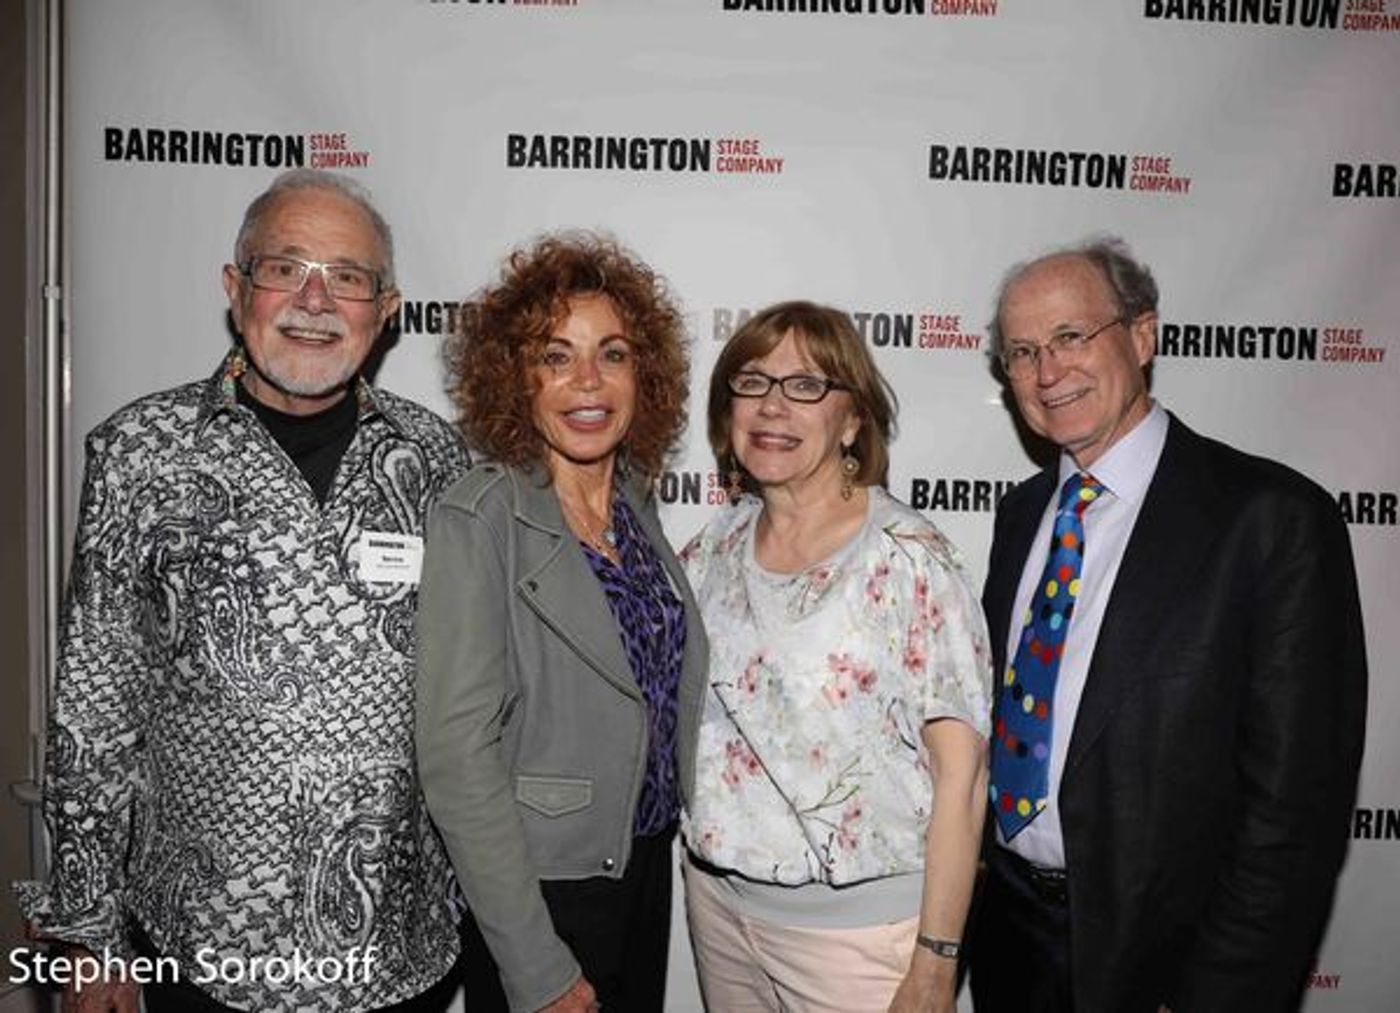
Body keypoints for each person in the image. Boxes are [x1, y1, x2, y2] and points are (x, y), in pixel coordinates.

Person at [15, 169, 471, 1012]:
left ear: (387, 308)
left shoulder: (439, 460)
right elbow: (94, 708)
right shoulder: (141, 452)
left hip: (397, 950)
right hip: (201, 946)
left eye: (348, 276)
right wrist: (87, 936)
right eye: (283, 267)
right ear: (236, 287)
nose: (314, 299)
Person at [968, 237, 1367, 1013]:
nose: (1048, 372)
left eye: (1071, 337)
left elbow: (1293, 815)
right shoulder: (1020, 518)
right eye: (1022, 352)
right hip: (1010, 943)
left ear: (1143, 335)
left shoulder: (1272, 520)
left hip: (1171, 962)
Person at [414, 233, 706, 1013]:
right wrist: (534, 960)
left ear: (643, 374)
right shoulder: (483, 515)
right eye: (556, 355)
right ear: (517, 377)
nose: (588, 381)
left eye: (612, 354)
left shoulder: (636, 503)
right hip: (540, 887)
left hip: (641, 866)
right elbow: (455, 756)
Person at [678, 300, 992, 1013]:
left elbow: (963, 779)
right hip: (719, 909)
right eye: (752, 382)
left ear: (853, 420)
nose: (773, 406)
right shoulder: (712, 548)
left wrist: (937, 963)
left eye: (808, 385)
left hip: (864, 936)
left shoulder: (909, 558)